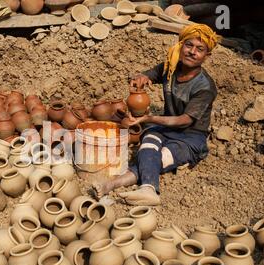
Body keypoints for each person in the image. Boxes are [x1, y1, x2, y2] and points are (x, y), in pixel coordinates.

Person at [93, 23, 220, 206]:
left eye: (199, 49)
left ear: (206, 56)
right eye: (189, 45)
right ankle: (118, 185)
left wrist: (149, 118)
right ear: (181, 45)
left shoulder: (205, 87)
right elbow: (151, 73)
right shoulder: (171, 67)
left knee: (158, 157)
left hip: (190, 137)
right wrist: (143, 77)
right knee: (148, 146)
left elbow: (184, 120)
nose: (192, 52)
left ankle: (145, 188)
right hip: (165, 129)